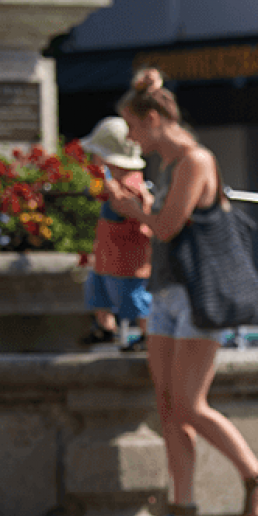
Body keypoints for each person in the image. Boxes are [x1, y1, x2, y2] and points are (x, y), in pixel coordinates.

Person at [112, 68, 258, 516]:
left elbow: (166, 227)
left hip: (198, 298)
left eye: (132, 126)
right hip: (165, 295)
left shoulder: (194, 161)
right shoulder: (167, 167)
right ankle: (182, 512)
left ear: (153, 120)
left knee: (189, 403)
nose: (130, 137)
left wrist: (134, 210)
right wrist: (143, 203)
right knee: (168, 405)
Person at [79, 117, 152, 350]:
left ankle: (149, 335)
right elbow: (97, 193)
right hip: (106, 256)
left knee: (134, 299)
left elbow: (129, 208)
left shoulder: (130, 184)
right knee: (96, 291)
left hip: (127, 261)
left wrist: (111, 189)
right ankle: (106, 328)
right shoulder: (110, 179)